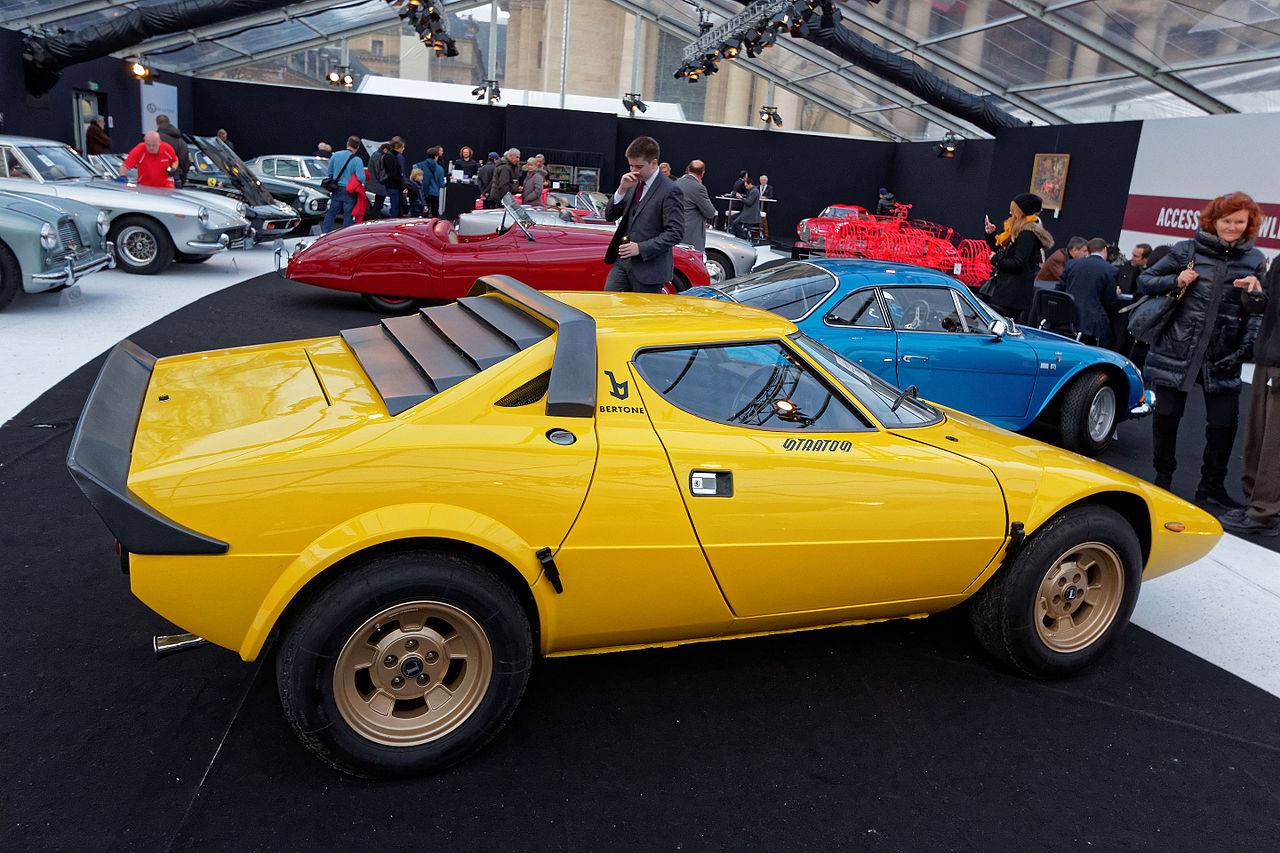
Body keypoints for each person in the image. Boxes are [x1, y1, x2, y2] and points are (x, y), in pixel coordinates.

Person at [1138, 191, 1266, 505]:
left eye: (1239, 221)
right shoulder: (1186, 250)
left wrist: (1256, 295)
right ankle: (1163, 477)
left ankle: (1211, 487)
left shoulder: (1254, 259)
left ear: (1249, 224)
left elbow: (1256, 312)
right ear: (1214, 220)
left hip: (1223, 355)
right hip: (1176, 350)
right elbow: (1145, 280)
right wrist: (1176, 280)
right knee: (1166, 418)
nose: (1232, 227)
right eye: (1226, 220)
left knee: (1223, 426)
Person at [1222, 259, 1279, 536]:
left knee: (1273, 445)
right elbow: (1262, 304)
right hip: (1266, 359)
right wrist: (1254, 291)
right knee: (1258, 438)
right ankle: (1255, 505)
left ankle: (1264, 514)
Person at [603, 136, 684, 293]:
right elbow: (610, 216)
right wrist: (621, 190)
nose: (633, 170)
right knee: (610, 306)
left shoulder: (670, 190)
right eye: (631, 166)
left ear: (653, 163)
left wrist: (641, 248)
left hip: (650, 269)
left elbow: (676, 233)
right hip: (622, 262)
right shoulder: (632, 183)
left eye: (638, 166)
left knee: (641, 315)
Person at [981, 192, 1054, 322]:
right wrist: (991, 235)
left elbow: (1018, 263)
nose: (1010, 212)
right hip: (1007, 293)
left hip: (1010, 295)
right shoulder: (1018, 231)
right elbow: (1003, 253)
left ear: (1021, 211)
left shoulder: (1026, 234)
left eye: (1013, 209)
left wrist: (995, 260)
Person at [1059, 237, 1121, 347]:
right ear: (1105, 250)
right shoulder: (1111, 270)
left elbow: (1060, 289)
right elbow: (1109, 301)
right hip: (1092, 324)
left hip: (1067, 319)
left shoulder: (1072, 264)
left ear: (1088, 250)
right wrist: (1115, 292)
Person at [321, 135, 365, 233]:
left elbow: (330, 173)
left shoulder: (335, 155)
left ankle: (325, 233)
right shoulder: (357, 160)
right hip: (349, 191)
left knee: (331, 213)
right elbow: (361, 178)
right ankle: (345, 235)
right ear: (357, 148)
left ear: (347, 143)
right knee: (348, 215)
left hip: (336, 189)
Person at [676, 160, 716, 259]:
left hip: (674, 231)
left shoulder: (675, 183)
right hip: (690, 238)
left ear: (688, 169)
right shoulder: (698, 188)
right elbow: (710, 212)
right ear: (702, 174)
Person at [153, 115, 189, 188]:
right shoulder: (181, 142)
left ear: (157, 124)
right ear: (169, 123)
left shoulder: (153, 141)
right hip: (175, 180)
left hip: (157, 181)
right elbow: (185, 164)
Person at [381, 137, 407, 218]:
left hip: (394, 185)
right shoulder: (390, 157)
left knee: (396, 208)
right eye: (402, 147)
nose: (403, 149)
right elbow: (394, 174)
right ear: (397, 146)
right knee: (395, 209)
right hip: (393, 186)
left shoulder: (392, 156)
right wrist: (403, 186)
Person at [416, 147, 444, 217]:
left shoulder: (419, 165)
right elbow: (441, 184)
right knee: (435, 213)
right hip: (435, 193)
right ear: (436, 156)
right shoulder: (440, 169)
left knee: (424, 212)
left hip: (423, 192)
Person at [731, 175, 761, 239]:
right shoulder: (751, 190)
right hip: (746, 211)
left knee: (735, 223)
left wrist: (741, 198)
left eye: (746, 185)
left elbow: (749, 202)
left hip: (750, 213)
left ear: (750, 184)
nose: (745, 187)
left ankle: (743, 235)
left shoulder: (754, 191)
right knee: (732, 217)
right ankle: (734, 235)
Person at [366, 142, 389, 219]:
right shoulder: (379, 156)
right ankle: (374, 221)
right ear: (385, 149)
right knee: (378, 206)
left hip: (374, 185)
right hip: (378, 186)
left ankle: (374, 220)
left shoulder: (376, 155)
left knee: (377, 205)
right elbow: (379, 170)